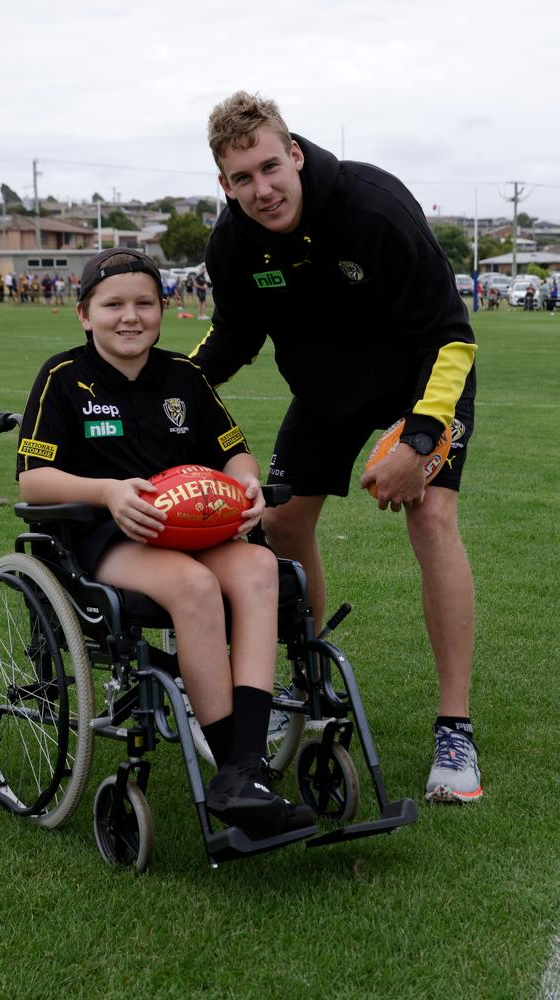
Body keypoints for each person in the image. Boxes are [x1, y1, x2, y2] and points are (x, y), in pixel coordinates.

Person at [190, 90, 481, 804]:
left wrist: (419, 440)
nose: (261, 190)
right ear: (224, 185)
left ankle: (455, 727)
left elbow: (451, 334)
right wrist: (161, 388)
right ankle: (309, 679)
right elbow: (233, 340)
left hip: (421, 377)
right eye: (242, 179)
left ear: (294, 153)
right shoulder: (233, 242)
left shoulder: (370, 204)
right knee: (283, 523)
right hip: (326, 394)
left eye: (268, 168)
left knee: (432, 518)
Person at [16, 248, 314, 837]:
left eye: (144, 304)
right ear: (84, 314)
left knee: (258, 567)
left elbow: (233, 449)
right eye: (113, 305)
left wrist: (246, 481)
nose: (130, 317)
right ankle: (237, 765)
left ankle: (242, 770)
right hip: (107, 534)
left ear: (163, 309)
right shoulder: (62, 377)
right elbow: (32, 478)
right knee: (196, 587)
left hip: (194, 527)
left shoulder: (186, 376)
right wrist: (106, 493)